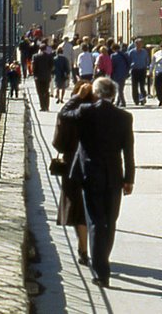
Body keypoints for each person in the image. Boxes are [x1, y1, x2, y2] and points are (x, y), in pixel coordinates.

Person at [60, 77, 135, 287]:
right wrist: (129, 179)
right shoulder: (124, 116)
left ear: (96, 92)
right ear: (113, 94)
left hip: (90, 174)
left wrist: (77, 96)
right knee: (110, 221)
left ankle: (101, 271)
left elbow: (64, 114)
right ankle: (103, 261)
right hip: (113, 176)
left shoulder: (86, 110)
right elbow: (129, 151)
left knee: (94, 221)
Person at [53, 81, 95, 267]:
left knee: (77, 207)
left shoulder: (70, 115)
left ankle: (83, 248)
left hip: (72, 164)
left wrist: (77, 97)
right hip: (93, 164)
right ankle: (88, 247)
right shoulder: (96, 112)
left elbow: (58, 143)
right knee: (90, 208)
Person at [31, 41, 55, 111]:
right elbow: (52, 66)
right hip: (47, 76)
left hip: (38, 77)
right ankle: (47, 106)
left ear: (39, 49)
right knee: (46, 91)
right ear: (45, 49)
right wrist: (49, 72)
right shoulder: (49, 56)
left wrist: (34, 74)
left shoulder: (35, 56)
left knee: (40, 92)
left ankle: (42, 106)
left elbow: (33, 67)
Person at [128, 38, 150, 105]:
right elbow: (128, 60)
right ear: (135, 44)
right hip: (134, 70)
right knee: (134, 86)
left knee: (142, 86)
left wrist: (147, 67)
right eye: (137, 44)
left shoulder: (144, 52)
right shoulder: (131, 52)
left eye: (140, 44)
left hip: (142, 70)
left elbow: (147, 60)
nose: (138, 45)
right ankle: (136, 100)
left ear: (142, 44)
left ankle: (143, 98)